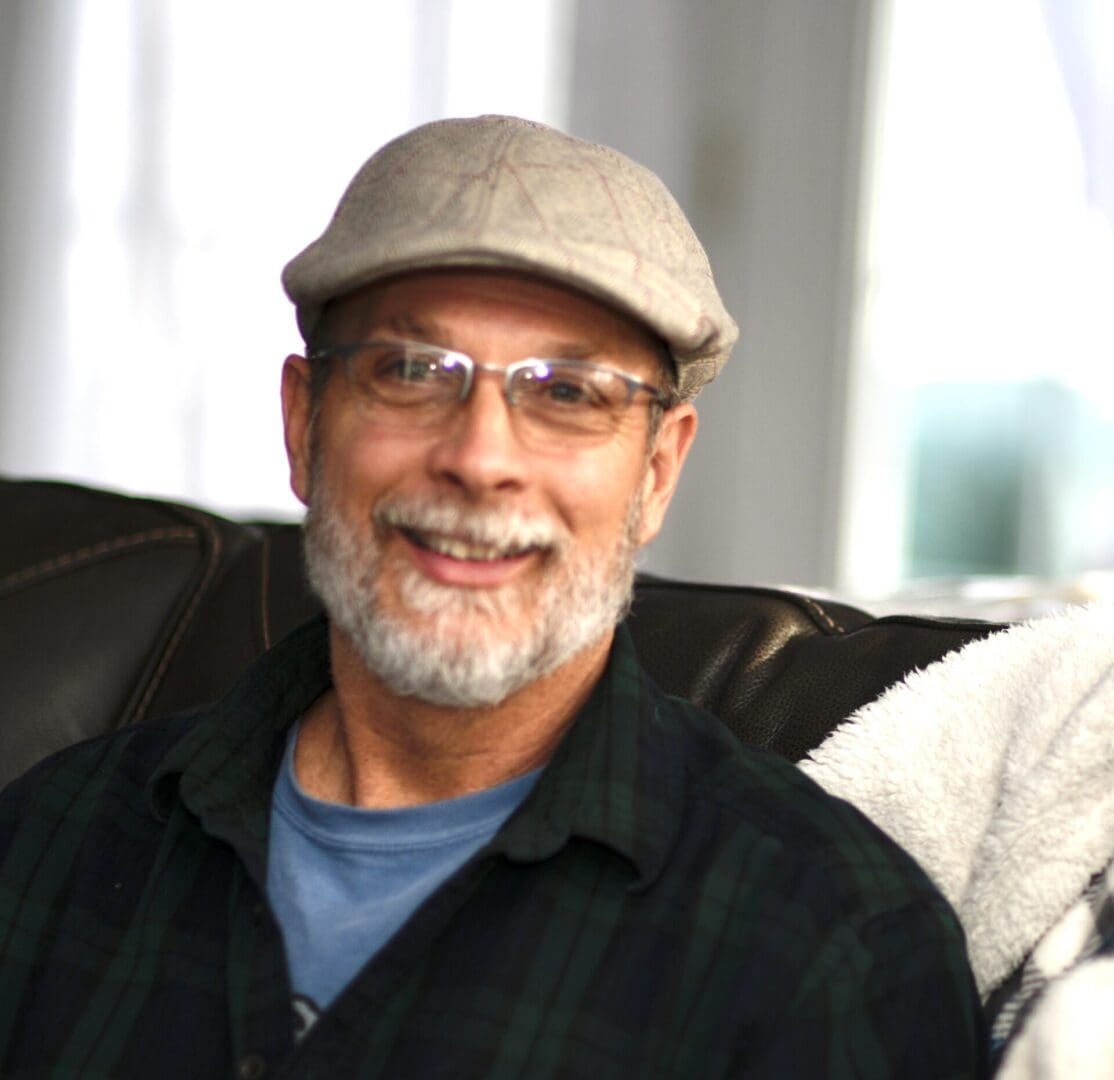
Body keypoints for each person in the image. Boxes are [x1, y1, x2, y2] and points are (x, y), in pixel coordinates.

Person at [0, 115, 986, 1077]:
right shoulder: (48, 845)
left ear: (655, 472)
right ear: (304, 425)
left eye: (567, 391)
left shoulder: (832, 943)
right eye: (412, 370)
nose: (478, 458)